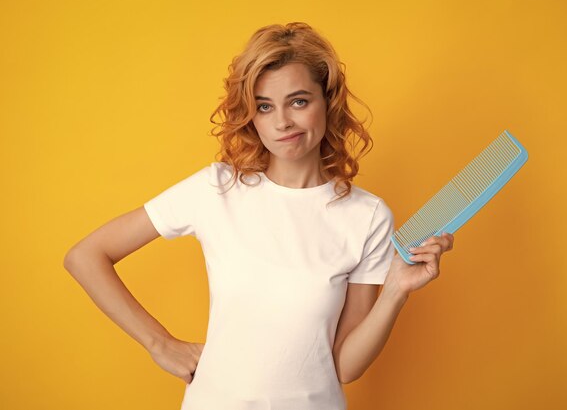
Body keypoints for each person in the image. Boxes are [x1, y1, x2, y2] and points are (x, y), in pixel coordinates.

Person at [63, 22, 455, 410]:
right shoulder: (216, 189)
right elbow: (85, 256)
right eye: (265, 107)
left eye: (299, 101)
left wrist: (396, 292)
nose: (282, 121)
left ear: (328, 101)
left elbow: (344, 366)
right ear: (251, 115)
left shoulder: (367, 216)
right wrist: (159, 343)